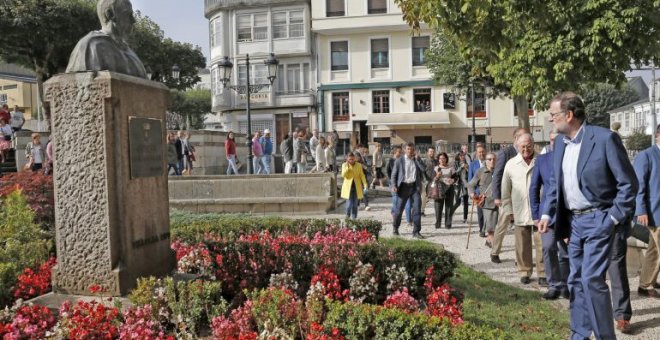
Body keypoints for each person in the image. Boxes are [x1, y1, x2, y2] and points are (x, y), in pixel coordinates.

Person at [539, 92, 638, 339]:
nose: (551, 120)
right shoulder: (560, 143)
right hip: (573, 223)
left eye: (553, 115)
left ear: (569, 115)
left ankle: (606, 336)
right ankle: (580, 334)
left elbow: (628, 184)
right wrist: (546, 213)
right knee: (574, 280)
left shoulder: (604, 139)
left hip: (599, 219)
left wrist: (612, 218)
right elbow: (555, 182)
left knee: (592, 279)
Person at [530, 130, 569, 300]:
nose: (555, 143)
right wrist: (536, 213)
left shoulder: (571, 156)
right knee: (548, 248)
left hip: (568, 213)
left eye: (558, 139)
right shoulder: (542, 160)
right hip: (548, 214)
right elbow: (534, 188)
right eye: (552, 140)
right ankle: (554, 284)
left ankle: (567, 284)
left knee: (567, 252)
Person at [501, 133, 545, 285]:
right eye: (523, 146)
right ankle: (524, 271)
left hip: (540, 211)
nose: (526, 149)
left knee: (542, 243)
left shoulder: (542, 160)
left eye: (529, 146)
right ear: (517, 147)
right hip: (519, 210)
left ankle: (543, 272)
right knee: (521, 245)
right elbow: (505, 191)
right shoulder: (511, 164)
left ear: (533, 145)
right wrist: (508, 210)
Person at [66, 0, 147, 78]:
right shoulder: (90, 47)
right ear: (109, 14)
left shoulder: (130, 52)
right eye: (127, 15)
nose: (133, 20)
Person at [490, 127, 527, 263]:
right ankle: (495, 251)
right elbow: (497, 175)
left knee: (521, 226)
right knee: (502, 225)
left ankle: (520, 257)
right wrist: (497, 196)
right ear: (516, 139)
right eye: (522, 137)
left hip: (523, 197)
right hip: (508, 197)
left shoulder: (527, 153)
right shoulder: (506, 152)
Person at [633, 123, 660, 298]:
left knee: (654, 249)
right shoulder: (646, 156)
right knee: (657, 250)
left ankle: (646, 283)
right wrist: (640, 210)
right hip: (655, 212)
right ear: (658, 135)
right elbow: (639, 185)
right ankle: (646, 285)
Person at [391, 142, 427, 238]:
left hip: (415, 187)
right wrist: (394, 185)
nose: (410, 151)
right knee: (399, 210)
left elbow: (423, 169)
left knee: (417, 209)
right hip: (403, 187)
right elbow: (394, 175)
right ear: (404, 150)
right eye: (408, 149)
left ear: (414, 150)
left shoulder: (416, 160)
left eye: (412, 149)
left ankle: (416, 232)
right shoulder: (399, 161)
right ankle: (395, 228)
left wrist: (418, 159)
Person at [467, 152, 498, 248]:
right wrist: (472, 194)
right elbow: (471, 184)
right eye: (489, 159)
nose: (492, 161)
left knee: (496, 225)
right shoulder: (480, 171)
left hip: (499, 201)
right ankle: (495, 249)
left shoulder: (500, 171)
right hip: (487, 203)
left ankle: (489, 240)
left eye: (494, 159)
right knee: (491, 226)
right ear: (486, 161)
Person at [388, 146, 412, 226]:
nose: (400, 153)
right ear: (395, 152)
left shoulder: (403, 160)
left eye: (401, 152)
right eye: (399, 152)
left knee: (407, 203)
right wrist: (392, 183)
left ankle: (409, 221)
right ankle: (395, 218)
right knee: (396, 202)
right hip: (394, 184)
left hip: (403, 184)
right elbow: (388, 172)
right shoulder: (391, 161)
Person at [341, 152, 368, 219]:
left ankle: (354, 219)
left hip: (356, 187)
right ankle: (347, 215)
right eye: (350, 159)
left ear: (355, 158)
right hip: (348, 188)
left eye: (353, 159)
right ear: (347, 159)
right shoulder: (344, 165)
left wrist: (365, 185)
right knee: (349, 204)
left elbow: (362, 175)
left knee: (355, 205)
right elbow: (343, 175)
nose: (351, 161)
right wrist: (348, 168)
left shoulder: (358, 165)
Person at [433, 152, 456, 229]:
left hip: (449, 188)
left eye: (443, 158)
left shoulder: (451, 168)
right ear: (438, 160)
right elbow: (432, 179)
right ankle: (438, 223)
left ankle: (448, 223)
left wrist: (453, 180)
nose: (442, 160)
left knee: (449, 206)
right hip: (439, 188)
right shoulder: (436, 168)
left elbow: (456, 177)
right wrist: (437, 176)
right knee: (438, 206)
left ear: (446, 159)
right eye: (440, 158)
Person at [468, 144, 487, 237]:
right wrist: (471, 192)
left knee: (489, 212)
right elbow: (470, 179)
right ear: (476, 153)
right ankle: (482, 230)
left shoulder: (490, 162)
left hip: (488, 192)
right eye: (479, 152)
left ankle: (490, 228)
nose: (481, 154)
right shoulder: (473, 164)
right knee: (480, 213)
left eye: (483, 151)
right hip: (478, 192)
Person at [453, 152, 470, 223]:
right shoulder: (456, 163)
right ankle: (451, 212)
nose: (462, 157)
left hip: (466, 184)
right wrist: (461, 167)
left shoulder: (468, 163)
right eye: (461, 156)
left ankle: (465, 218)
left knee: (466, 202)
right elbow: (455, 173)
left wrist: (467, 169)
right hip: (458, 184)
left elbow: (471, 173)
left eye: (464, 156)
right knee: (458, 202)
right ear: (458, 156)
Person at [421, 147, 438, 217]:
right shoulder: (424, 161)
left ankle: (438, 210)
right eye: (430, 151)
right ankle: (421, 211)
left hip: (435, 181)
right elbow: (422, 171)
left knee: (436, 196)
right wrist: (425, 180)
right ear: (428, 153)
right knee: (424, 197)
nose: (432, 153)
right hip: (426, 181)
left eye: (433, 151)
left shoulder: (436, 161)